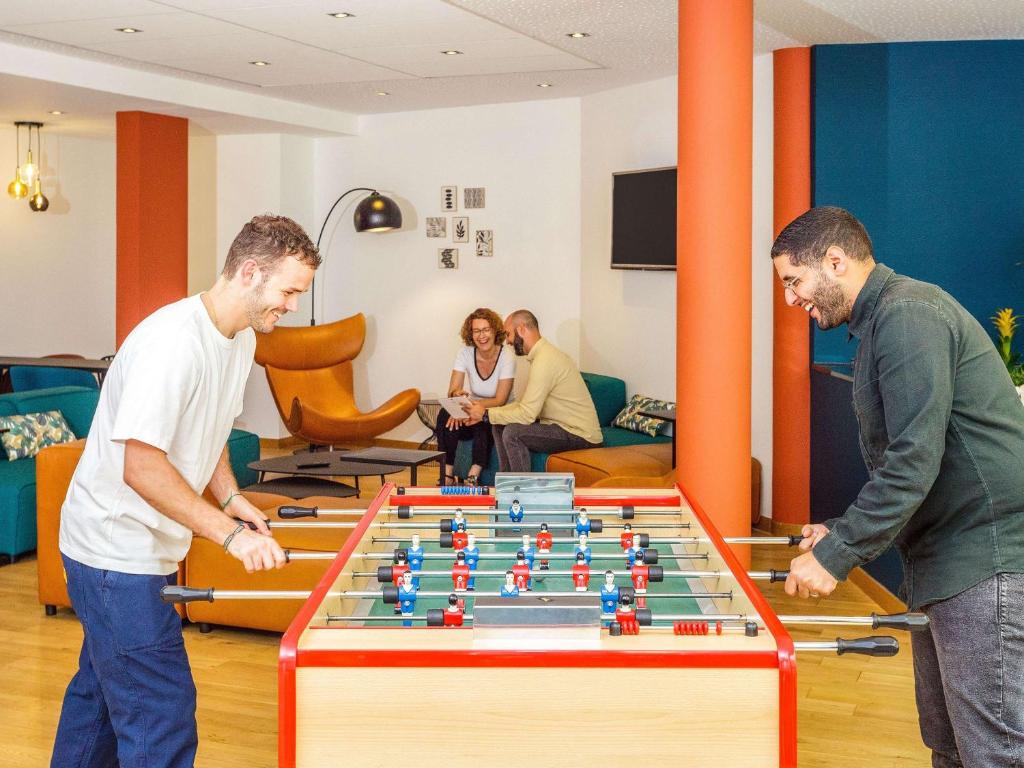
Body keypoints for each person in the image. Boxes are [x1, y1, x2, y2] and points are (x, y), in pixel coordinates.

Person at [52, 215, 319, 768]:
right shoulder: (172, 343)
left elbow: (213, 427)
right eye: (289, 291)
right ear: (250, 272)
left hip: (142, 551)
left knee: (101, 698)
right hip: (113, 553)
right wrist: (229, 537)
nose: (293, 306)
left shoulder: (240, 338)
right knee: (160, 712)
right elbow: (141, 467)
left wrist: (229, 497)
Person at [772, 206, 1024, 766]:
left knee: (995, 753)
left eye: (794, 282)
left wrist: (837, 555)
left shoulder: (909, 313)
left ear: (834, 261)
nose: (790, 300)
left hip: (985, 559)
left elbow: (913, 460)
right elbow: (916, 466)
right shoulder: (886, 320)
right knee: (950, 746)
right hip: (948, 560)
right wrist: (840, 531)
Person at [466, 310, 602, 472]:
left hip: (581, 436)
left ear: (522, 329)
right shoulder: (541, 356)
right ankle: (506, 483)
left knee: (513, 432)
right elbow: (525, 406)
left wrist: (486, 415)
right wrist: (488, 413)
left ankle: (520, 491)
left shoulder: (545, 360)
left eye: (508, 334)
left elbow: (528, 414)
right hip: (559, 427)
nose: (507, 341)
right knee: (499, 425)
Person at [436, 308, 515, 485]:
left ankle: (474, 473)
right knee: (444, 414)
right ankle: (447, 473)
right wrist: (457, 400)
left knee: (482, 417)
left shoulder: (507, 356)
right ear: (470, 334)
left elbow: (500, 399)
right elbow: (453, 390)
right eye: (476, 331)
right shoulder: (465, 353)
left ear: (495, 330)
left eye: (486, 329)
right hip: (472, 408)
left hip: (498, 413)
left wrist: (472, 408)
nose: (482, 335)